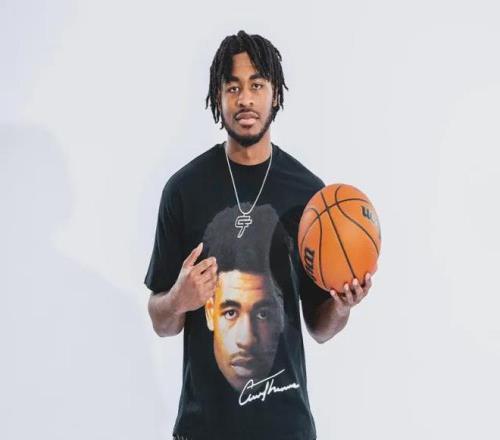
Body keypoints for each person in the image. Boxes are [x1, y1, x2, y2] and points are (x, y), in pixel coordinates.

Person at [145, 30, 373, 440]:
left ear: (276, 94)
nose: (245, 99)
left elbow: (319, 328)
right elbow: (162, 322)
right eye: (233, 88)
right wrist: (179, 298)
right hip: (203, 430)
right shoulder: (183, 191)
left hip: (286, 428)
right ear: (218, 98)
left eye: (257, 85)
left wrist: (342, 306)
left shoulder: (310, 199)